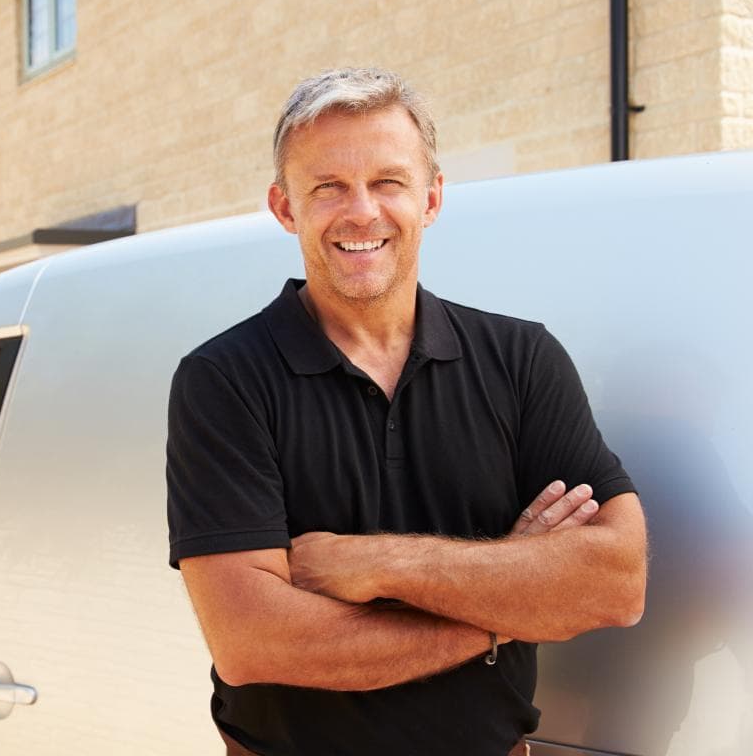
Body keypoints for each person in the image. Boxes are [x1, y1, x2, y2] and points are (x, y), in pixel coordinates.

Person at [166, 68, 647, 756]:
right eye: (328, 186)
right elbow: (254, 643)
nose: (361, 211)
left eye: (388, 181)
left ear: (432, 198)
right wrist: (510, 607)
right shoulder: (225, 380)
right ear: (284, 208)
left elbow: (615, 582)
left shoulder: (521, 359)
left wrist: (377, 563)